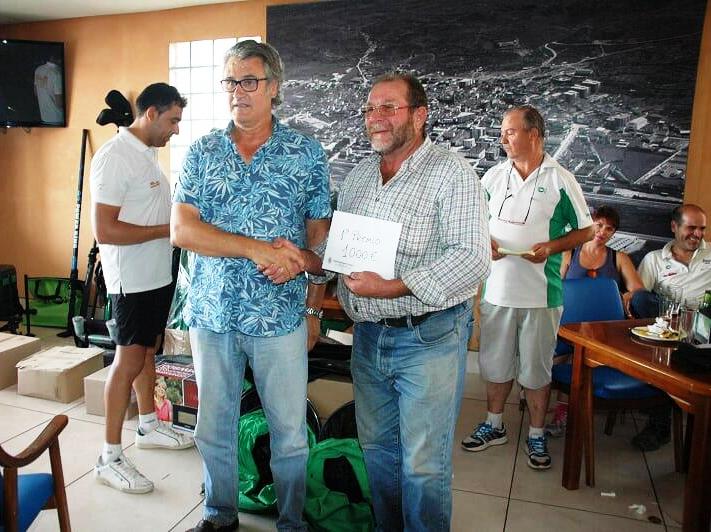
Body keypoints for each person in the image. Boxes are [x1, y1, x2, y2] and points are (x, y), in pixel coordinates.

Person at [171, 40, 331, 532]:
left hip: (279, 317)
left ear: (273, 87)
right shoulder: (202, 152)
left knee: (289, 432)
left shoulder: (306, 154)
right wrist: (256, 249)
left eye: (249, 81)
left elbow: (320, 245)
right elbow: (182, 231)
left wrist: (314, 309)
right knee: (213, 426)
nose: (237, 92)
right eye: (230, 82)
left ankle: (291, 521)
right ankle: (219, 514)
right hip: (212, 313)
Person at [332, 72, 490, 531]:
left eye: (388, 107)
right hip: (368, 338)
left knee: (423, 464)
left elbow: (473, 258)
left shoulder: (452, 173)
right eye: (370, 108)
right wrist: (304, 258)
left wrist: (392, 286)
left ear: (420, 116)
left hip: (429, 337)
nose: (375, 117)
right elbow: (342, 250)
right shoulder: (360, 176)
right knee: (378, 452)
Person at [462, 105, 593, 470]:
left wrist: (551, 247)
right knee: (494, 364)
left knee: (536, 370)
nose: (503, 138)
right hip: (496, 291)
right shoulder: (493, 176)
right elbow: (473, 221)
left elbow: (586, 231)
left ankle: (536, 433)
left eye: (510, 131)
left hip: (541, 295)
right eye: (502, 132)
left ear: (533, 134)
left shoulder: (561, 179)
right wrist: (485, 241)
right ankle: (494, 424)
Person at [91, 83, 193, 494]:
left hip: (155, 277)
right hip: (130, 281)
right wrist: (167, 231)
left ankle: (148, 425)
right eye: (172, 120)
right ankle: (108, 456)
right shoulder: (114, 157)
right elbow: (105, 230)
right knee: (128, 360)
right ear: (151, 113)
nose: (176, 129)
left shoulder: (147, 154)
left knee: (148, 351)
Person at [545, 205, 645, 435]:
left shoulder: (619, 257)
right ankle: (561, 408)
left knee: (579, 353)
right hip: (568, 324)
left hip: (604, 330)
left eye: (609, 229)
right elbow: (556, 286)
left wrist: (626, 295)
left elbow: (638, 290)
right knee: (566, 351)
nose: (602, 232)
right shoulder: (570, 253)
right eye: (599, 225)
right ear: (589, 224)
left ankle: (568, 409)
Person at [627, 204, 710, 451]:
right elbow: (638, 299)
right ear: (674, 227)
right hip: (665, 331)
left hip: (702, 330)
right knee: (643, 301)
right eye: (691, 228)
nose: (697, 234)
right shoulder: (654, 259)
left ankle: (696, 434)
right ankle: (660, 427)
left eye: (702, 229)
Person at [34, 55, 64, 124]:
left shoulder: (38, 69)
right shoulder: (57, 73)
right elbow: (59, 103)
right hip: (57, 118)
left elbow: (36, 93)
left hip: (44, 117)